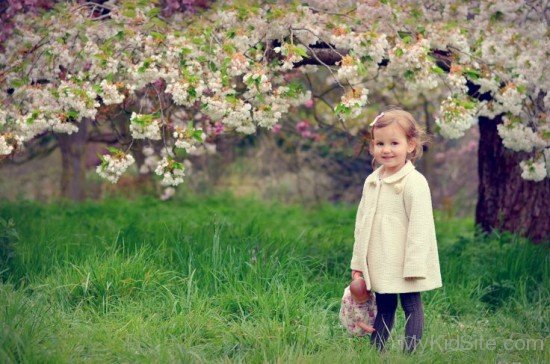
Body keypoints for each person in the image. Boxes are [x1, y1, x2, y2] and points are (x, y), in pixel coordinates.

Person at [350, 109, 442, 353]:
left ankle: (410, 353)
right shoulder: (372, 181)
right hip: (381, 260)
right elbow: (362, 225)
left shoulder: (414, 182)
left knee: (411, 305)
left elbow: (421, 227)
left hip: (405, 261)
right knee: (384, 305)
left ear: (411, 145)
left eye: (394, 143)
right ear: (372, 146)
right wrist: (358, 262)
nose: (386, 149)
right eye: (380, 143)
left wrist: (414, 265)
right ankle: (376, 351)